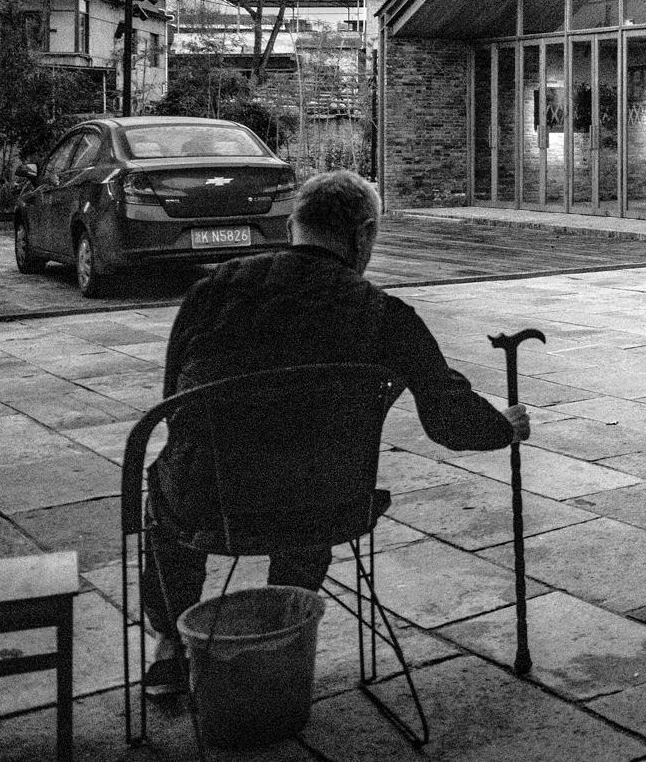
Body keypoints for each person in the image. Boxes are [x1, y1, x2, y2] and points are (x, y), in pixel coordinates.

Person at [139, 170, 527, 695]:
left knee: (171, 479)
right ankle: (284, 618)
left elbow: (173, 405)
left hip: (210, 505)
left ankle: (170, 640)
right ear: (363, 234)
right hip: (325, 506)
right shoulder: (385, 315)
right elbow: (449, 418)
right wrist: (501, 427)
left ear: (295, 224)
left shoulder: (212, 291)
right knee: (314, 465)